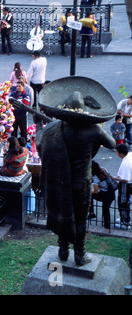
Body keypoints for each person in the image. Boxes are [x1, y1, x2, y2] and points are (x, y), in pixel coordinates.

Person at [35, 86, 117, 265]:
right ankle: (80, 254)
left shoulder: (53, 128)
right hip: (82, 182)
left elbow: (41, 147)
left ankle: (63, 250)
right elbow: (112, 143)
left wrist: (39, 126)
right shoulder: (93, 129)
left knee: (63, 212)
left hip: (60, 182)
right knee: (80, 217)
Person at [88, 161, 116, 230]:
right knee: (106, 209)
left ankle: (91, 212)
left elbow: (95, 191)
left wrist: (89, 191)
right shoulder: (103, 169)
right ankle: (107, 226)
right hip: (111, 192)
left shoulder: (95, 178)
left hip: (105, 194)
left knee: (89, 195)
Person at [113, 143, 132, 229]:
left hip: (126, 185)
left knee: (123, 202)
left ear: (121, 153)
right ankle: (123, 219)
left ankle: (125, 222)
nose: (116, 153)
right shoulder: (129, 155)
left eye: (117, 152)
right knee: (125, 202)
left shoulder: (126, 163)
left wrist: (115, 178)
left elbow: (125, 179)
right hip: (128, 183)